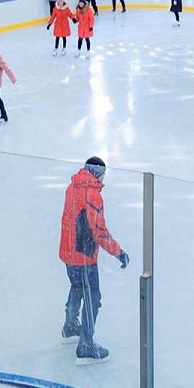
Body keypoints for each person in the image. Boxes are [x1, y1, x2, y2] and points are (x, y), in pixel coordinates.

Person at [58, 156, 129, 365]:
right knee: (92, 299)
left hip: (68, 252)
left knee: (76, 288)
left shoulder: (73, 186)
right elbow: (99, 231)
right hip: (84, 257)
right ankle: (86, 345)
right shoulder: (93, 195)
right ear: (98, 173)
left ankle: (70, 326)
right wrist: (118, 252)